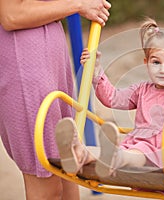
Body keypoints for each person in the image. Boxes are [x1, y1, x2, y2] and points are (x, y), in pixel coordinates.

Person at [55, 17, 164, 199]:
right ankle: (78, 153)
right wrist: (96, 70)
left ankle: (114, 158)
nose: (163, 69)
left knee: (132, 154)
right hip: (139, 147)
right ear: (146, 62)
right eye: (156, 62)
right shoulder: (141, 89)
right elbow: (112, 99)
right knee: (126, 153)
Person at [0, 0, 111, 199]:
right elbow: (11, 15)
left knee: (68, 175)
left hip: (51, 56)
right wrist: (78, 5)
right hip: (25, 59)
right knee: (47, 183)